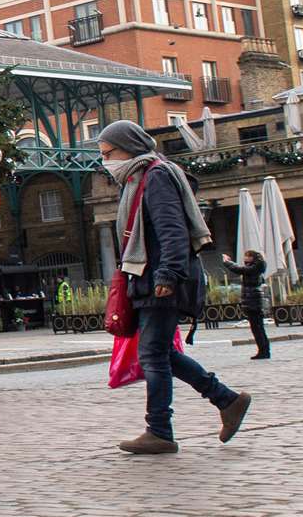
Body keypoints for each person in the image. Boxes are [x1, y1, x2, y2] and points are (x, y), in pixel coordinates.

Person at [98, 121, 252, 455]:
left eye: (109, 153)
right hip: (149, 278)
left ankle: (160, 431)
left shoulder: (155, 176)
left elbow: (172, 231)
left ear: (128, 147)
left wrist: (166, 276)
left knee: (153, 354)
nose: (105, 161)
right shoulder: (139, 179)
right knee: (161, 352)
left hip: (159, 279)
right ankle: (227, 400)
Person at [221, 249, 271, 359]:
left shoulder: (255, 268)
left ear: (252, 258)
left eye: (247, 256)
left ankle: (264, 351)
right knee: (257, 328)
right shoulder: (255, 267)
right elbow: (241, 269)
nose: (245, 258)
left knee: (257, 328)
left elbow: (239, 269)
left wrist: (227, 262)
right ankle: (264, 350)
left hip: (253, 301)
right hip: (252, 301)